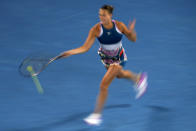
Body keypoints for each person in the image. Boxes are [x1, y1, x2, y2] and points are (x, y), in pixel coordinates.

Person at [55, 5, 148, 125]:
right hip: (106, 58)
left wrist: (131, 30)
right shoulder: (95, 29)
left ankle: (96, 115)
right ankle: (139, 78)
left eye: (104, 15)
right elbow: (85, 47)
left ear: (110, 16)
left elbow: (133, 39)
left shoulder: (119, 26)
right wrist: (70, 52)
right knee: (119, 75)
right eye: (100, 14)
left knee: (103, 85)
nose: (101, 17)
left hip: (118, 57)